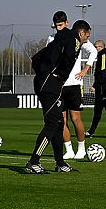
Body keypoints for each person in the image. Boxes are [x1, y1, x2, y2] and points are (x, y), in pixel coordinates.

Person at [24, 16, 82, 174]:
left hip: (46, 83)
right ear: (83, 33)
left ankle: (60, 163)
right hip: (50, 85)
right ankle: (34, 161)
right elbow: (69, 59)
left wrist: (43, 74)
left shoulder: (55, 42)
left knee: (59, 123)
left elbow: (36, 58)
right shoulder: (73, 39)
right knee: (52, 123)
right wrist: (58, 76)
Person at [62, 22, 98, 159]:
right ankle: (69, 150)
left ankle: (81, 149)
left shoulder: (80, 41)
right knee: (62, 120)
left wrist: (85, 69)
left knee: (75, 118)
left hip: (75, 84)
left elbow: (94, 51)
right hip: (60, 85)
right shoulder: (52, 39)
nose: (87, 39)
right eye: (87, 35)